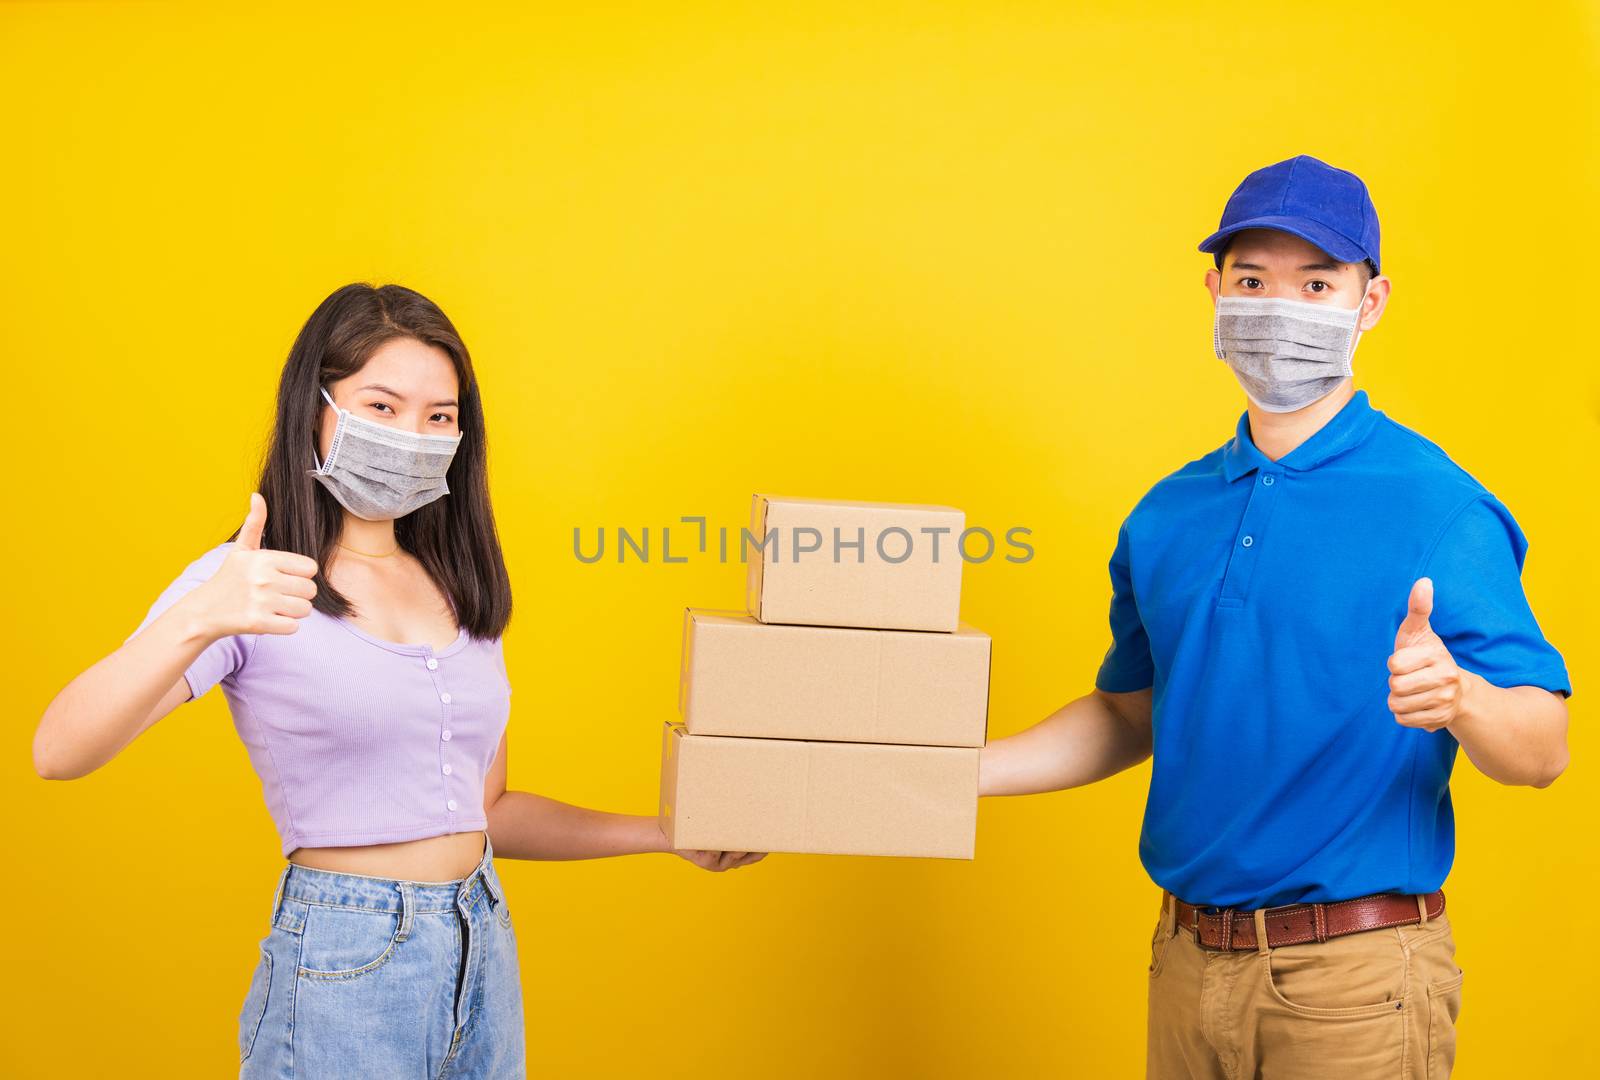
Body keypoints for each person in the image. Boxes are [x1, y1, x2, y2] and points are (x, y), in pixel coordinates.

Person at [32, 283, 765, 1078]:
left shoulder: (457, 584)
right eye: (381, 407)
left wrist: (663, 835)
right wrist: (199, 617)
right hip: (347, 961)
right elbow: (58, 749)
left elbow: (488, 813)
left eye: (438, 417)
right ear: (314, 406)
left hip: (478, 946)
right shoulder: (251, 579)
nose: (412, 435)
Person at [978, 155, 1572, 1079]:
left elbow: (1543, 751)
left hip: (1355, 986)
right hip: (1183, 966)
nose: (1278, 307)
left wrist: (1459, 699)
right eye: (1253, 280)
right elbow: (1130, 711)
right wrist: (950, 774)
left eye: (1318, 282)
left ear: (1369, 303)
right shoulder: (1165, 514)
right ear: (1215, 291)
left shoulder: (1438, 506)